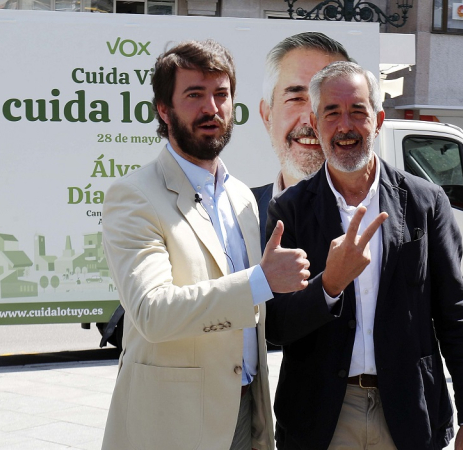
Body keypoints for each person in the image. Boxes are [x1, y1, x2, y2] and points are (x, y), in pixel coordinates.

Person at [265, 61, 463, 450]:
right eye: (332, 113)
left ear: (379, 119)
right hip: (321, 417)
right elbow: (275, 327)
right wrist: (329, 286)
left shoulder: (425, 202)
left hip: (408, 410)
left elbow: (455, 314)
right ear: (315, 126)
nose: (345, 125)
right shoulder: (290, 210)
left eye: (357, 111)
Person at [100, 40, 310, 450]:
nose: (211, 108)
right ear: (164, 109)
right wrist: (259, 282)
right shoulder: (134, 195)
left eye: (221, 94)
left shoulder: (242, 198)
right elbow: (152, 312)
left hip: (247, 410)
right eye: (194, 95)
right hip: (175, 425)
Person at [252, 32, 352, 249]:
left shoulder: (390, 214)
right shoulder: (234, 218)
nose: (311, 118)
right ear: (267, 115)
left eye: (329, 101)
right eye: (296, 98)